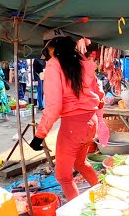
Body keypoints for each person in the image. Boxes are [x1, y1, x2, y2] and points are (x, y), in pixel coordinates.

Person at [29, 36, 109, 202]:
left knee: (63, 176)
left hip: (73, 127)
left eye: (47, 49)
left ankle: (76, 212)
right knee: (80, 163)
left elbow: (53, 106)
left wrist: (39, 136)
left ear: (54, 48)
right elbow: (99, 95)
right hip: (90, 122)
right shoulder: (83, 62)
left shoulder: (54, 64)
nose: (47, 53)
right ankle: (103, 195)